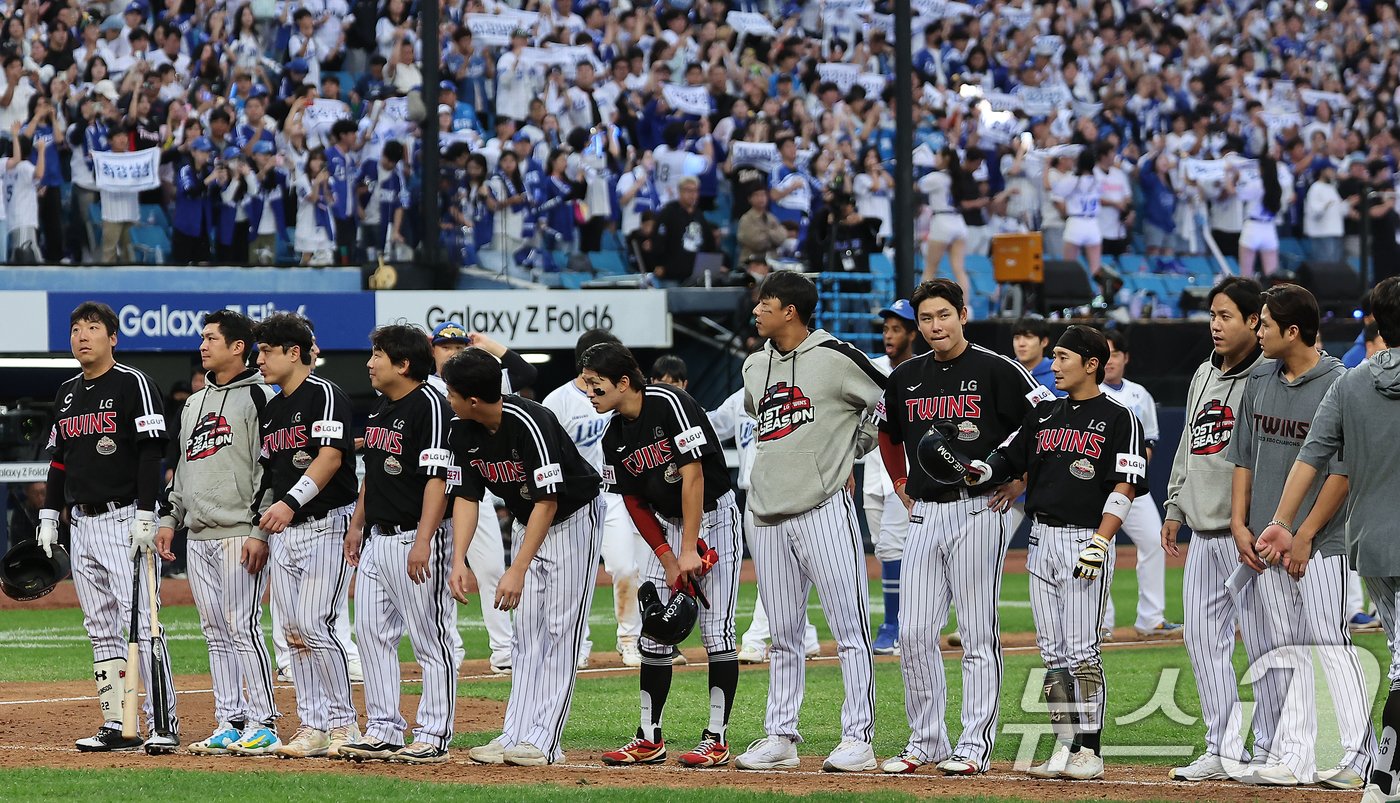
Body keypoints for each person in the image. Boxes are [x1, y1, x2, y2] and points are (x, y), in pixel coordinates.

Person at [875, 279, 1049, 775]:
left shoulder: (997, 369)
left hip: (979, 509)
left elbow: (1047, 422)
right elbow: (888, 436)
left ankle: (974, 744)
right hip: (927, 511)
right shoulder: (906, 377)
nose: (935, 326)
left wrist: (1020, 479)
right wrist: (901, 481)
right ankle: (926, 740)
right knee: (912, 633)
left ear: (963, 314)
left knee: (975, 632)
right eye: (926, 319)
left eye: (943, 315)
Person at [970, 325, 1147, 781]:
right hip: (1041, 537)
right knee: (1052, 653)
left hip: (1085, 537)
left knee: (1083, 650)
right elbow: (1007, 457)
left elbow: (1125, 483)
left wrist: (1102, 540)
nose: (1054, 364)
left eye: (1064, 357)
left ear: (1092, 364)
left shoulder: (1119, 416)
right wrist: (978, 469)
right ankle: (1065, 745)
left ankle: (1090, 751)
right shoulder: (1044, 414)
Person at [1254, 276, 1400, 803]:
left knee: (1369, 652)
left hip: (1358, 542)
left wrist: (1291, 525)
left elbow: (1318, 459)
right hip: (1346, 537)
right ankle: (1359, 771)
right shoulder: (1329, 380)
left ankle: (1374, 769)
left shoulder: (1348, 381)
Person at [733, 271, 886, 773]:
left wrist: (851, 449)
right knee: (783, 633)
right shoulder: (754, 365)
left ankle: (858, 737)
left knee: (850, 630)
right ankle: (781, 735)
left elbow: (889, 404)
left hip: (823, 509)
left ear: (791, 311)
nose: (756, 311)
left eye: (765, 303)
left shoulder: (837, 358)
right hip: (768, 513)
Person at [1228, 284, 1375, 788]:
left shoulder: (1343, 383)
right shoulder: (1259, 379)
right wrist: (1239, 523)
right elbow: (1245, 456)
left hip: (1320, 543)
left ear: (1293, 331)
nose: (1257, 330)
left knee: (1329, 642)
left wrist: (1307, 533)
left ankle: (1360, 757)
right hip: (1269, 539)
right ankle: (1295, 756)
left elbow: (1343, 470)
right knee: (1286, 646)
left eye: (1265, 323)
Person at [584, 343, 742, 768]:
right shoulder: (613, 434)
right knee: (654, 631)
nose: (589, 393)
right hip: (665, 527)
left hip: (712, 517)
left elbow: (693, 476)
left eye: (596, 386)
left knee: (716, 634)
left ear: (623, 382)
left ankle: (717, 738)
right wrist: (668, 557)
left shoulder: (670, 402)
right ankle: (649, 737)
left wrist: (689, 550)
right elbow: (635, 502)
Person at [444, 349, 603, 767]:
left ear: (473, 399)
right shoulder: (462, 431)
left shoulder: (529, 420)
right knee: (527, 635)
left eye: (451, 391)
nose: (448, 398)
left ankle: (545, 741)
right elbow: (465, 496)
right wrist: (458, 559)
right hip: (526, 520)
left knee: (560, 632)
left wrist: (517, 568)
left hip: (571, 519)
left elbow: (549, 501)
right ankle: (515, 733)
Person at [37, 301, 178, 753]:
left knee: (143, 621)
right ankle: (117, 722)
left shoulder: (133, 383)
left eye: (93, 328)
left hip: (124, 518)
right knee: (99, 626)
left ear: (112, 337)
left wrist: (145, 511)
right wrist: (48, 515)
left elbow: (151, 453)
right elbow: (59, 460)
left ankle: (162, 724)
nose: (82, 335)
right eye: (76, 328)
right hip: (82, 522)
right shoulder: (66, 392)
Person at [1162, 277, 1275, 782]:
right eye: (1213, 314)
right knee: (1203, 642)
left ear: (1256, 322)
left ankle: (1273, 747)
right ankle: (1223, 747)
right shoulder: (1202, 374)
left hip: (1250, 536)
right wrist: (1173, 506)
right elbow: (1188, 444)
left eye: (1226, 315)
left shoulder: (1270, 377)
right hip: (1204, 532)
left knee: (1263, 641)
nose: (1215, 324)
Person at [156, 310, 281, 756]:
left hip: (241, 530)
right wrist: (170, 519)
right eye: (202, 338)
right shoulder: (192, 403)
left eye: (211, 338)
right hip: (200, 532)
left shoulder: (262, 398)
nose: (203, 345)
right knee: (214, 629)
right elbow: (183, 468)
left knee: (241, 625)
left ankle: (263, 721)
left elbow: (270, 469)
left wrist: (260, 529)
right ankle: (229, 719)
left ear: (237, 347)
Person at [339, 325, 459, 764]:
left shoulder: (431, 404)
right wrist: (357, 523)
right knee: (371, 635)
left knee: (431, 639)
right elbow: (373, 470)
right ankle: (385, 729)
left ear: (404, 364)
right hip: (377, 538)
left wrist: (424, 540)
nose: (369, 363)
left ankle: (434, 734)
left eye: (378, 355)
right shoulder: (382, 406)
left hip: (416, 535)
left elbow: (437, 478)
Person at [249, 313, 361, 759]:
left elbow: (330, 458)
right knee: (293, 629)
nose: (259, 359)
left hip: (327, 521)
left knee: (317, 624)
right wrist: (262, 527)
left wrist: (290, 503)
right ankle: (313, 724)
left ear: (294, 353)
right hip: (286, 532)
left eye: (266, 351)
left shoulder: (325, 393)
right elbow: (269, 476)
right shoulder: (273, 408)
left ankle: (344, 724)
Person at [541, 329, 644, 669]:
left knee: (627, 567)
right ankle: (577, 644)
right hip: (574, 498)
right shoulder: (559, 400)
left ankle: (629, 639)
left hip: (614, 494)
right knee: (573, 575)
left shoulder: (618, 394)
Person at [425, 322, 519, 674]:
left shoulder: (479, 384)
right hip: (433, 493)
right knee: (435, 579)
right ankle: (450, 651)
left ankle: (504, 653)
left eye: (460, 345)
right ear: (431, 350)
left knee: (493, 568)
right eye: (445, 346)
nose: (453, 350)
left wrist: (487, 345)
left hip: (471, 489)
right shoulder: (425, 385)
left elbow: (526, 373)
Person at [1098, 330, 1180, 640]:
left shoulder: (1139, 395)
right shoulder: (1089, 392)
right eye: (1105, 355)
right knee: (1100, 550)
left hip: (1132, 487)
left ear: (1125, 358)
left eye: (1115, 354)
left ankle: (1151, 620)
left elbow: (1150, 442)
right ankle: (1101, 622)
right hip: (1098, 489)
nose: (1110, 361)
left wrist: (1131, 470)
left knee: (1154, 544)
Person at [866, 300, 917, 656]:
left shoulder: (923, 370)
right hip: (872, 469)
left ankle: (895, 624)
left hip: (909, 472)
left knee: (895, 547)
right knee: (885, 551)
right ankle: (899, 621)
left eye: (896, 329)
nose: (888, 335)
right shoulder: (871, 368)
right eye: (885, 329)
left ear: (913, 334)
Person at [918, 147, 971, 298]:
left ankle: (922, 303)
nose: (935, 158)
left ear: (946, 158)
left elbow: (917, 186)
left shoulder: (936, 177)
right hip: (958, 221)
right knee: (959, 269)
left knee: (929, 269)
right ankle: (966, 306)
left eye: (938, 155)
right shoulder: (956, 177)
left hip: (942, 221)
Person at [654, 176, 717, 286]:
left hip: (695, 275)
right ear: (680, 191)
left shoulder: (699, 215)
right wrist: (659, 264)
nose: (693, 194)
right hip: (671, 273)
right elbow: (658, 240)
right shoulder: (668, 212)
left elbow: (709, 243)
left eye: (695, 191)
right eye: (688, 190)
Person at [1053, 149, 1104, 279]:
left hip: (1076, 222)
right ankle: (1100, 298)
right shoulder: (1098, 178)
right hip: (1092, 223)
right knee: (1096, 268)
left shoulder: (1072, 179)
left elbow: (1056, 191)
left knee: (1068, 266)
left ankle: (1068, 297)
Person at [1234, 156, 1284, 279]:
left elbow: (1236, 193)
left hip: (1252, 227)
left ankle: (1247, 298)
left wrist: (1233, 178)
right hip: (1269, 228)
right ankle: (1272, 298)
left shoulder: (1256, 184)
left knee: (1246, 276)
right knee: (1272, 276)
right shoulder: (1277, 186)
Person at [1010, 317, 1063, 398]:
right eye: (1017, 338)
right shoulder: (1005, 371)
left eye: (1028, 337)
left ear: (1044, 341)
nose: (1021, 344)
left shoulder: (1058, 374)